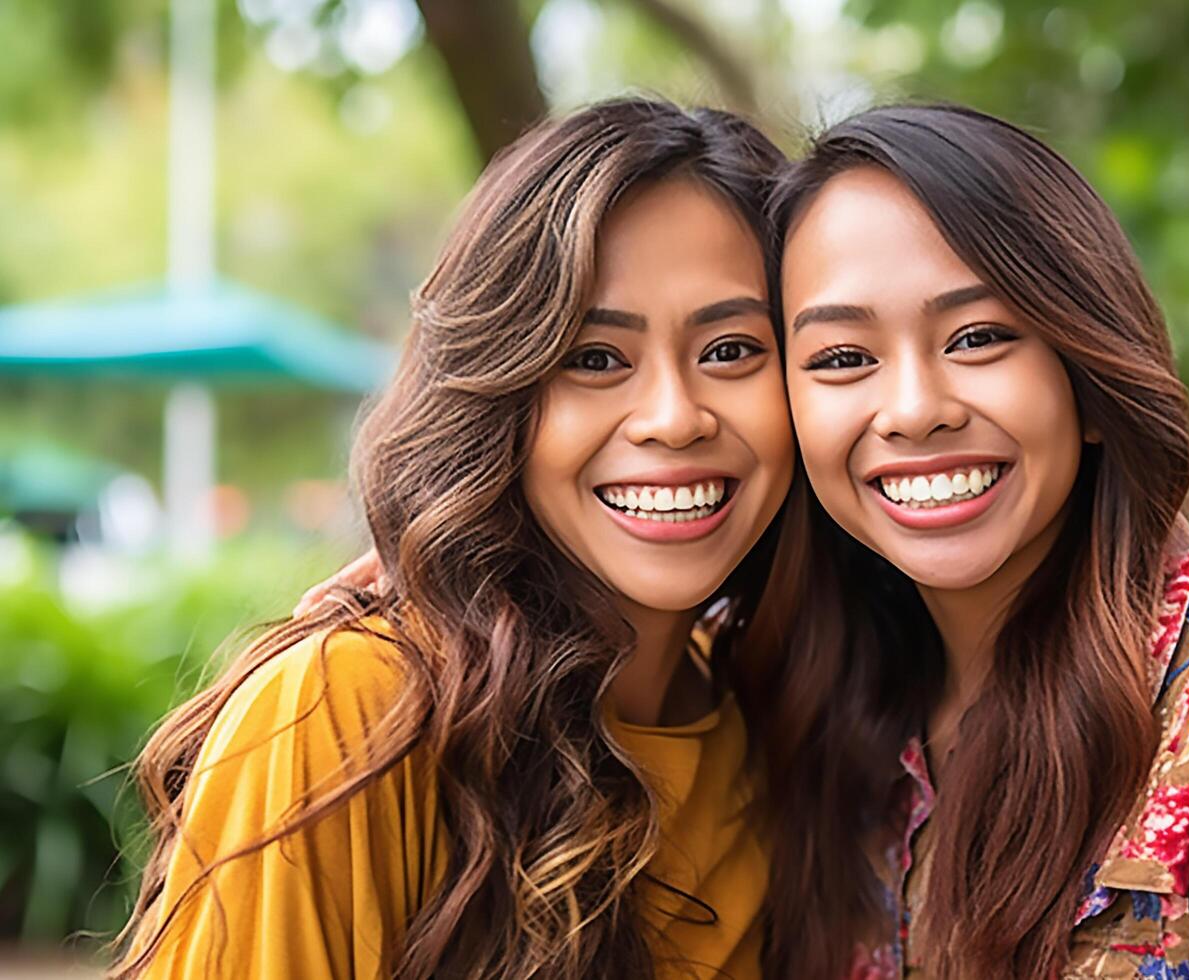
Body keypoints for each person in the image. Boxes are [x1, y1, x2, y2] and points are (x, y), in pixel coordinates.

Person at [757, 102, 1189, 979]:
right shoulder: (830, 743)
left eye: (979, 338)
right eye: (841, 358)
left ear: (1088, 378)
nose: (912, 409)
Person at [113, 97, 796, 980]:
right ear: (499, 394)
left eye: (733, 350)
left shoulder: (779, 716)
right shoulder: (349, 715)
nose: (673, 418)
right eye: (593, 358)